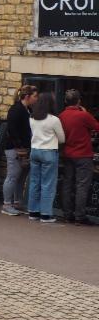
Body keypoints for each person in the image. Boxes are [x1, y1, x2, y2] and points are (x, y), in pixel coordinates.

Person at [58, 89, 99, 225]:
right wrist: (86, 113)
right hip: (83, 155)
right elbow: (97, 127)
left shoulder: (62, 115)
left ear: (66, 101)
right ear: (79, 101)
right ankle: (80, 216)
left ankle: (66, 214)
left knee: (67, 184)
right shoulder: (83, 116)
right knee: (82, 185)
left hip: (68, 154)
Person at [27, 91, 64, 224]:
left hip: (35, 151)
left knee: (34, 182)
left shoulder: (32, 117)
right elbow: (62, 138)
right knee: (48, 184)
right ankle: (46, 214)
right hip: (49, 152)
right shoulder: (54, 120)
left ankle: (33, 211)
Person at [1, 85, 37, 216]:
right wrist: (19, 146)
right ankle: (6, 204)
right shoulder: (16, 110)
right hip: (15, 148)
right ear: (27, 97)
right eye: (34, 96)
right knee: (12, 176)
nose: (36, 99)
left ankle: (17, 202)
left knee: (21, 177)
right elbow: (12, 130)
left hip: (24, 147)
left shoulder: (27, 110)